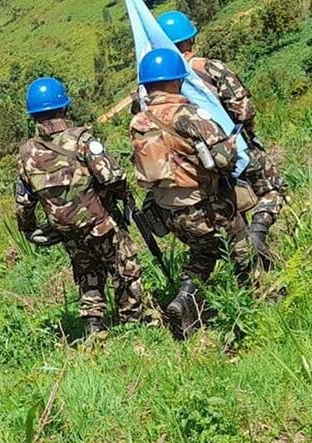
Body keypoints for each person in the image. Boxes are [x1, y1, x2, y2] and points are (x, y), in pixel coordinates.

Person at [15, 77, 157, 337]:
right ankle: (133, 323)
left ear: (33, 115)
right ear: (63, 108)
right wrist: (123, 198)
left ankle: (94, 327)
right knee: (125, 268)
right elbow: (112, 176)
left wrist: (30, 230)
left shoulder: (26, 153)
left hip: (68, 231)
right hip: (100, 223)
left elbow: (24, 202)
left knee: (88, 273)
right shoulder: (82, 139)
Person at [129, 48, 251, 339]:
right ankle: (252, 305)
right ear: (176, 81)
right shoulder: (190, 114)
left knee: (203, 252)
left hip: (168, 212)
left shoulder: (139, 123)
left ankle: (184, 300)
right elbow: (224, 159)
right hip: (204, 207)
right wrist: (233, 146)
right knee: (242, 249)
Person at [158, 10, 288, 268]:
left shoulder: (154, 87)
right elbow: (244, 111)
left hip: (192, 172)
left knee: (230, 212)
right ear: (190, 39)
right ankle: (258, 235)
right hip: (234, 149)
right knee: (275, 191)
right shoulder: (209, 68)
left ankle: (250, 261)